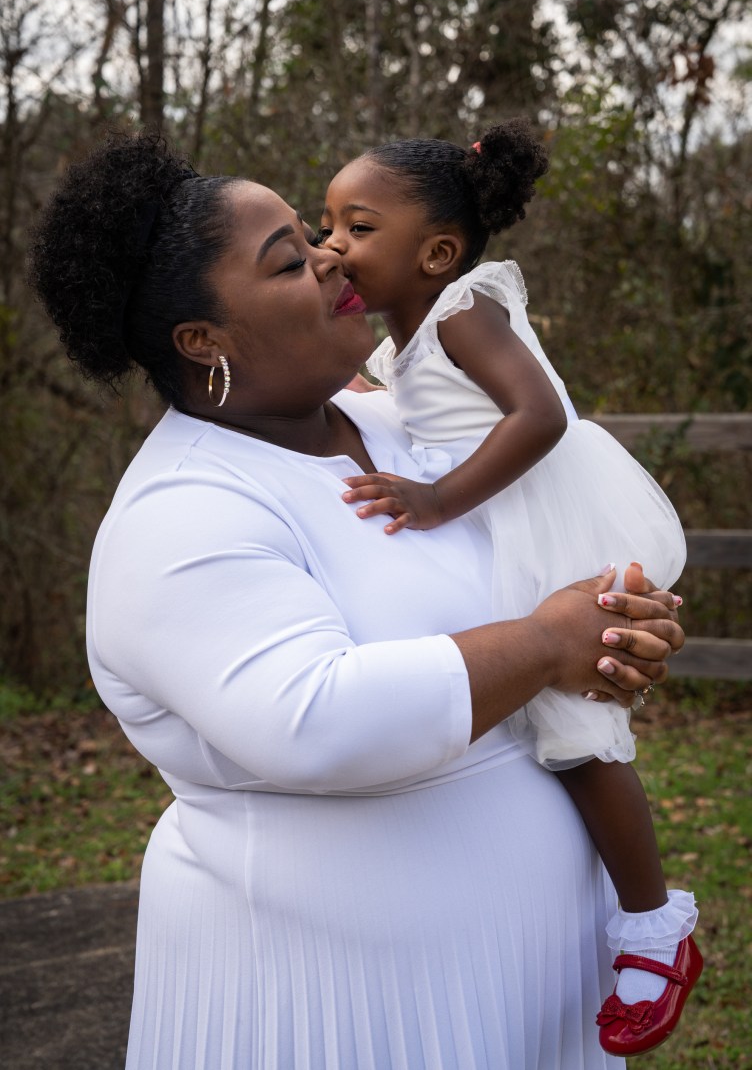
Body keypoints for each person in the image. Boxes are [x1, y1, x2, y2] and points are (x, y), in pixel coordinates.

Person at [29, 129, 686, 1070]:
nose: (331, 257)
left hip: (537, 978)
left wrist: (617, 631)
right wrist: (548, 643)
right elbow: (316, 719)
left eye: (322, 234)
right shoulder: (181, 511)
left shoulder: (406, 423)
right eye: (292, 258)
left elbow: (538, 575)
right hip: (341, 1003)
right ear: (203, 340)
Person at [319, 119, 702, 1058]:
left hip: (551, 527)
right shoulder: (405, 333)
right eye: (325, 225)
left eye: (356, 229)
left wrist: (440, 497)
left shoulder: (459, 312)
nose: (333, 247)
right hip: (509, 534)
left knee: (578, 732)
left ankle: (654, 925)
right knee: (543, 719)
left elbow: (543, 413)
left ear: (437, 251)